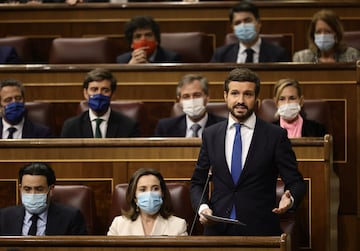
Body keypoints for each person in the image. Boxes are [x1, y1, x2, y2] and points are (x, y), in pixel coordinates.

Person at [190, 67, 306, 236]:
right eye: (235, 93)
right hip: (217, 230)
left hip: (260, 229)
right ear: (225, 96)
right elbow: (197, 182)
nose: (241, 100)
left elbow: (296, 182)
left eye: (248, 94)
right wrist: (203, 208)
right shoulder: (211, 134)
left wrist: (290, 199)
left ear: (256, 98)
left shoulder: (275, 135)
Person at [0, 162, 88, 235]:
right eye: (27, 189)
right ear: (20, 189)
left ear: (51, 189)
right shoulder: (4, 217)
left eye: (39, 189)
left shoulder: (71, 218)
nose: (33, 194)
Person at [61, 68, 140, 138]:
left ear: (112, 95)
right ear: (85, 93)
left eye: (105, 90)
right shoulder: (71, 126)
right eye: (94, 89)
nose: (99, 94)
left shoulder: (128, 126)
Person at [107, 168, 188, 236]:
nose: (150, 194)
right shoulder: (118, 225)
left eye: (155, 189)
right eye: (143, 189)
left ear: (162, 193)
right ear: (134, 197)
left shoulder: (178, 226)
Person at [210, 1, 290, 63]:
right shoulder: (221, 55)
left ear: (258, 23)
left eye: (247, 21)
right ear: (233, 28)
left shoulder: (278, 54)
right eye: (238, 23)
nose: (243, 26)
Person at [154, 74, 226, 137]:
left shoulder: (223, 126)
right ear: (179, 101)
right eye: (186, 96)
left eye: (197, 95)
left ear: (207, 97)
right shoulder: (165, 127)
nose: (192, 100)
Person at [293, 9, 359, 63]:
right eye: (318, 32)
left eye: (328, 31)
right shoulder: (301, 58)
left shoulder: (352, 56)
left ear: (336, 34)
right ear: (313, 35)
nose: (323, 35)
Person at [116, 16, 182, 64]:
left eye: (148, 35)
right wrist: (130, 69)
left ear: (156, 40)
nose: (143, 40)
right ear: (131, 43)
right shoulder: (122, 60)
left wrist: (149, 69)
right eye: (138, 36)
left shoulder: (171, 59)